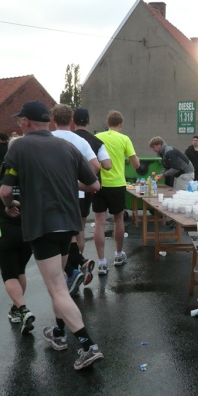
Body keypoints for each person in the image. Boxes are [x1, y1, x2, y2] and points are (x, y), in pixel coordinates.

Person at [2, 100, 103, 370]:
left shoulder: (20, 146)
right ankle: (58, 332)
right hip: (68, 225)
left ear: (26, 122)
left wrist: (10, 206)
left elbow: (4, 191)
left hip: (43, 226)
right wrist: (68, 183)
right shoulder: (68, 147)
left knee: (57, 287)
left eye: (20, 120)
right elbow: (94, 184)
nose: (20, 124)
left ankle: (88, 346)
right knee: (58, 285)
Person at [0, 136, 35, 334]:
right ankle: (16, 309)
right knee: (20, 270)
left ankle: (22, 309)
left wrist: (2, 210)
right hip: (28, 230)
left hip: (4, 230)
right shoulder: (33, 174)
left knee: (9, 273)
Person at [51, 104, 101, 294]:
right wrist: (77, 180)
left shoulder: (48, 138)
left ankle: (71, 272)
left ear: (53, 120)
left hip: (52, 195)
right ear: (71, 120)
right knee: (74, 232)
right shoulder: (80, 141)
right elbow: (95, 166)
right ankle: (80, 262)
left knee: (56, 237)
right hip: (76, 194)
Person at [93, 110, 141, 275]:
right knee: (118, 219)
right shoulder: (124, 139)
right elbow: (136, 165)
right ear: (121, 124)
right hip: (117, 184)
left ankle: (101, 262)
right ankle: (118, 255)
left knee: (99, 222)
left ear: (107, 123)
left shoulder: (97, 137)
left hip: (99, 184)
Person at [73, 108, 112, 283]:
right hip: (84, 188)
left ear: (73, 121)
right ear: (88, 122)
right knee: (80, 228)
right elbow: (106, 165)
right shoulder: (94, 141)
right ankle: (78, 264)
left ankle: (69, 270)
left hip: (60, 188)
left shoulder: (60, 139)